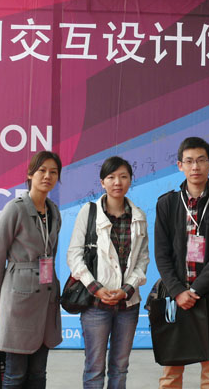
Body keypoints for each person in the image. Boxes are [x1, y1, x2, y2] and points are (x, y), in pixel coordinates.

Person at [154, 137, 209, 389]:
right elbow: (161, 253)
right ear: (180, 165)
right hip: (176, 298)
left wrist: (196, 290)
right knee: (171, 369)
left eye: (201, 160)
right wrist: (178, 291)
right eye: (189, 161)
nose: (195, 167)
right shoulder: (167, 204)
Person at [67, 156, 149, 389]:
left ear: (130, 180)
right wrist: (97, 289)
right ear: (102, 182)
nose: (117, 182)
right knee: (94, 368)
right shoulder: (89, 212)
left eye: (123, 177)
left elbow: (143, 259)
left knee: (120, 368)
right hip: (95, 305)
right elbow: (74, 256)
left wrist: (127, 290)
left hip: (127, 305)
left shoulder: (139, 216)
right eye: (111, 177)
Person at [0, 151, 63, 389]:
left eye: (53, 172)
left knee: (39, 373)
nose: (47, 176)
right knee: (15, 373)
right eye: (42, 171)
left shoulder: (54, 211)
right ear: (30, 174)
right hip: (18, 300)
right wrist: (2, 299)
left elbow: (51, 253)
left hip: (46, 298)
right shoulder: (14, 209)